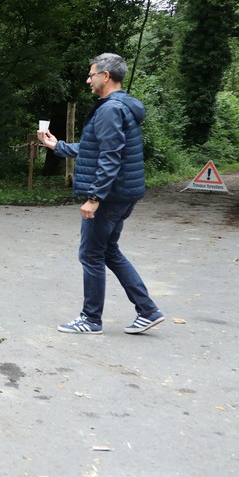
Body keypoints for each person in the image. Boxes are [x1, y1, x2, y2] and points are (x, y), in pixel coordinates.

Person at [36, 53, 165, 335]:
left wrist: (94, 198)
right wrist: (57, 146)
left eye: (91, 74)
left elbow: (110, 157)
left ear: (106, 76)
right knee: (109, 252)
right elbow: (95, 148)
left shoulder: (110, 109)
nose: (88, 80)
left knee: (91, 255)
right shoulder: (121, 107)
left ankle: (91, 319)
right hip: (122, 195)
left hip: (109, 197)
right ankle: (148, 310)